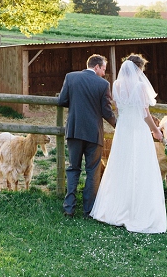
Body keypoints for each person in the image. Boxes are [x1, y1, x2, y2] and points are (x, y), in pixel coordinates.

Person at [90, 54, 167, 233]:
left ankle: (114, 209)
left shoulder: (116, 85)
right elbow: (145, 113)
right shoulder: (139, 86)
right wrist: (155, 130)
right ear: (138, 69)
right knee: (140, 166)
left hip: (123, 129)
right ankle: (137, 212)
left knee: (121, 166)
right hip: (138, 129)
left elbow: (117, 106)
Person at [57, 54, 117, 218]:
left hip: (74, 130)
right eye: (104, 69)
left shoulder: (71, 77)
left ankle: (69, 207)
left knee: (73, 168)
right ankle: (88, 210)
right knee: (92, 171)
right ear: (97, 67)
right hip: (93, 133)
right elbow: (106, 111)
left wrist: (77, 103)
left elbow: (61, 100)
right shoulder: (103, 84)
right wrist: (118, 126)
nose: (104, 73)